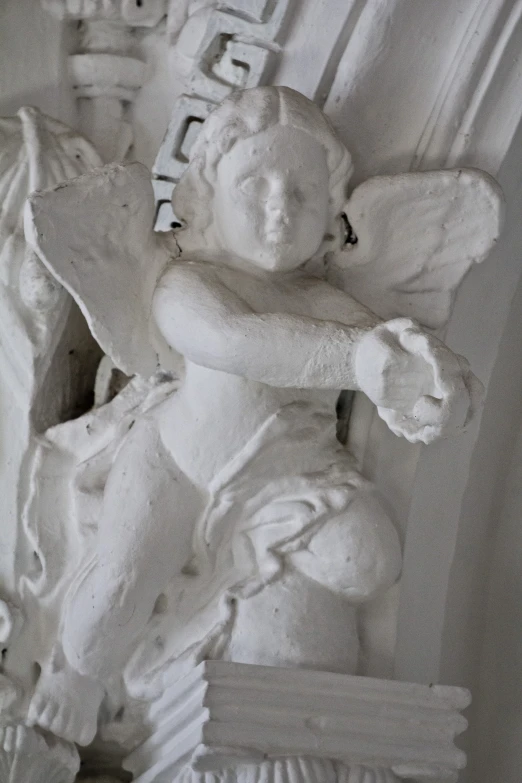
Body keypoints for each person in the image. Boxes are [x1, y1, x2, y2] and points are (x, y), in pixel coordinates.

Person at [28, 87, 476, 747]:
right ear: (205, 198)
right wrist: (361, 360)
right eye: (254, 184)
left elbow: (414, 359)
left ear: (331, 210)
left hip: (287, 478)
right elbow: (239, 342)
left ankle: (235, 576)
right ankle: (79, 676)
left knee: (372, 558)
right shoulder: (188, 284)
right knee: (119, 588)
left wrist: (439, 391)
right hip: (178, 464)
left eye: (302, 192)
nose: (277, 206)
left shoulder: (329, 302)